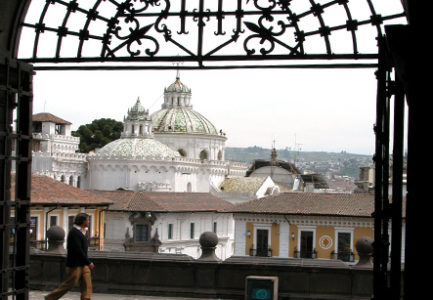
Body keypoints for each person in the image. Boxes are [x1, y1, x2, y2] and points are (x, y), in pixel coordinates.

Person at [45, 213, 94, 300]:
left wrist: (86, 262)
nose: (89, 222)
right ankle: (50, 297)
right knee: (69, 284)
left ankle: (86, 298)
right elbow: (78, 250)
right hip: (75, 264)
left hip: (83, 264)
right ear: (83, 221)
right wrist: (88, 262)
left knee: (87, 284)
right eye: (87, 220)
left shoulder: (82, 231)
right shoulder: (74, 232)